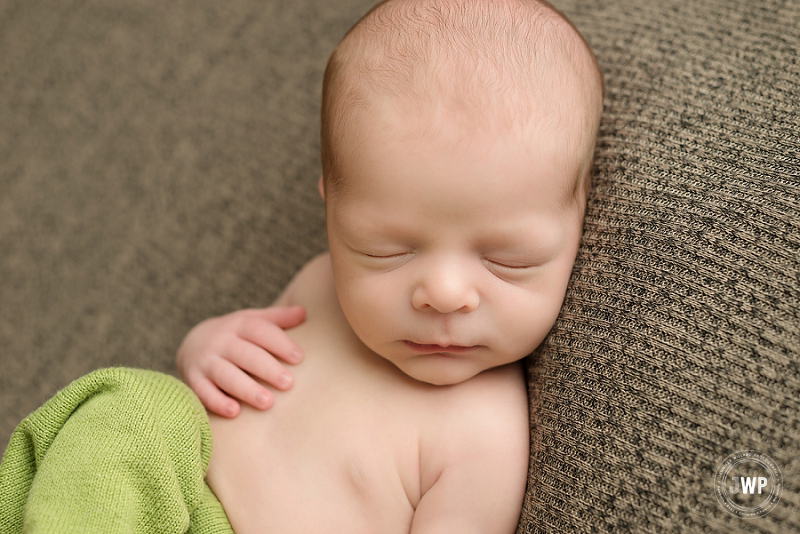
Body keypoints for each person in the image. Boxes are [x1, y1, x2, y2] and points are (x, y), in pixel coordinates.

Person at [176, 0, 604, 532]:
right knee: (121, 408)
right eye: (386, 251)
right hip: (165, 499)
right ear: (331, 208)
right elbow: (218, 392)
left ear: (578, 223)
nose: (444, 294)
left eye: (506, 259)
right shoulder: (317, 284)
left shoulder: (484, 435)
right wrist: (206, 349)